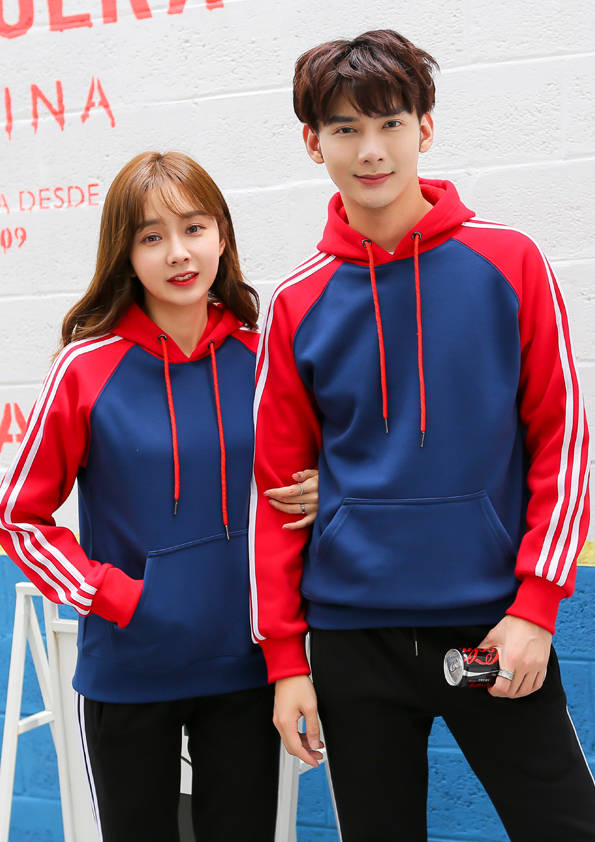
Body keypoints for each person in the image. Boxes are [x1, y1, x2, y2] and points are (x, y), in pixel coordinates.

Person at [249, 30, 595, 841]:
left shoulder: (508, 262)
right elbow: (274, 495)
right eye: (344, 129)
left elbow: (563, 442)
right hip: (352, 641)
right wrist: (286, 661)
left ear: (424, 128)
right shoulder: (298, 303)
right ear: (313, 143)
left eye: (390, 124)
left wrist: (536, 609)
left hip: (490, 629)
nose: (370, 151)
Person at [0, 151, 319, 842]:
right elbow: (19, 518)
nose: (178, 253)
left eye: (194, 228)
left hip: (246, 667)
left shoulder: (264, 359)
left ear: (221, 235)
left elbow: (317, 476)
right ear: (125, 252)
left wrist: (330, 490)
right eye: (152, 236)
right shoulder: (85, 369)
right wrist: (116, 596)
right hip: (130, 669)